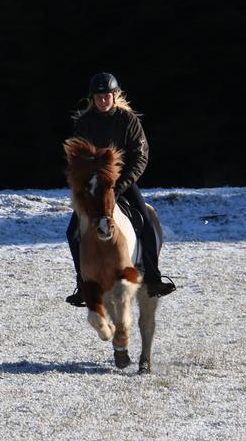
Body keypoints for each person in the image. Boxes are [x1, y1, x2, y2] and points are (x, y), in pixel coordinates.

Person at [65, 72, 176, 306]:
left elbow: (140, 156)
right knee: (72, 231)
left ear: (115, 96)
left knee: (145, 221)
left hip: (123, 182)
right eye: (98, 97)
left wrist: (121, 184)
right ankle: (81, 283)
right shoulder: (84, 124)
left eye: (107, 96)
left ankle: (153, 277)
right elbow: (77, 159)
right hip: (95, 188)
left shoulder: (128, 121)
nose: (103, 100)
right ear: (92, 98)